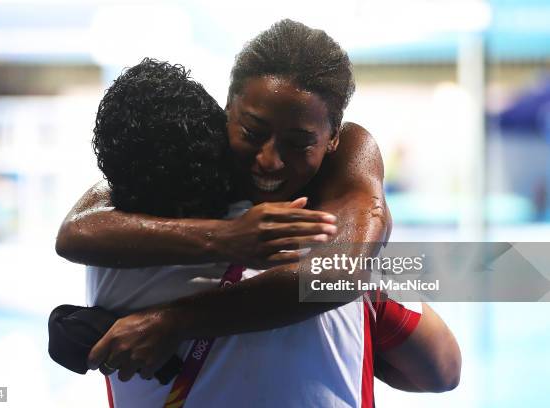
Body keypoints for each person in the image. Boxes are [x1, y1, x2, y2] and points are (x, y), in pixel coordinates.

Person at [57, 20, 461, 407]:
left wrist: (172, 322)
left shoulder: (343, 185)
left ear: (334, 137)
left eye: (299, 143)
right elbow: (74, 231)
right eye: (252, 133)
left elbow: (344, 274)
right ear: (226, 109)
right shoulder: (164, 197)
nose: (270, 161)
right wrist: (228, 237)